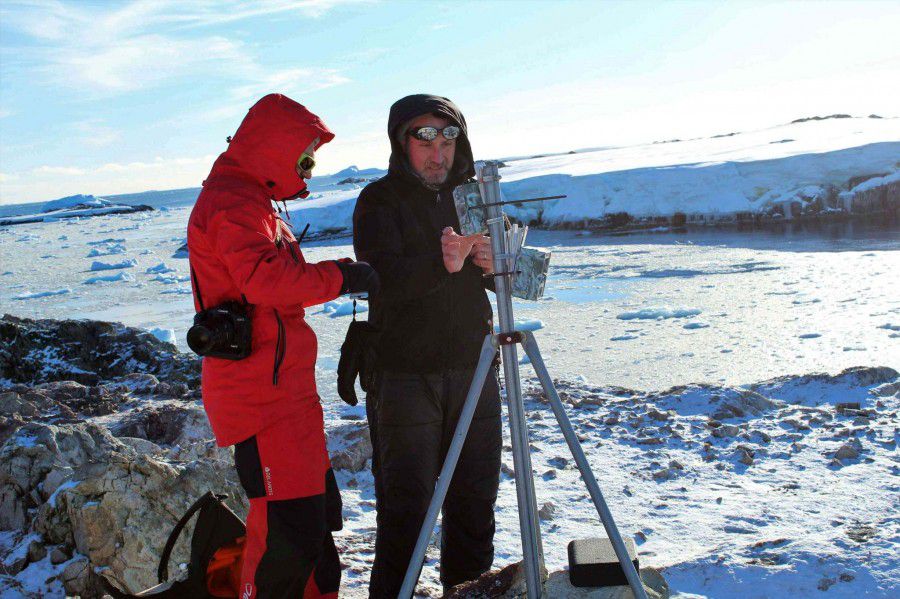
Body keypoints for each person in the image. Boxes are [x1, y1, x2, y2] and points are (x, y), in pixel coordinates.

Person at [187, 93, 379, 599]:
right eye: (305, 159)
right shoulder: (231, 201)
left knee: (314, 529)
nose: (310, 172)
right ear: (274, 148)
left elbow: (276, 284)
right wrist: (339, 277)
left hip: (286, 394)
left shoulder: (253, 201)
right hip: (259, 400)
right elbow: (266, 282)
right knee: (284, 538)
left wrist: (333, 277)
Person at [352, 94, 501, 597]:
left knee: (474, 507)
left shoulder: (474, 197)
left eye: (447, 137)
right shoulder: (379, 200)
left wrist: (496, 263)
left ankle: (467, 592)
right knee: (406, 515)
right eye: (424, 138)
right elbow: (378, 279)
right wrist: (443, 263)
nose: (438, 152)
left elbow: (513, 284)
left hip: (475, 371)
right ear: (402, 142)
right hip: (404, 376)